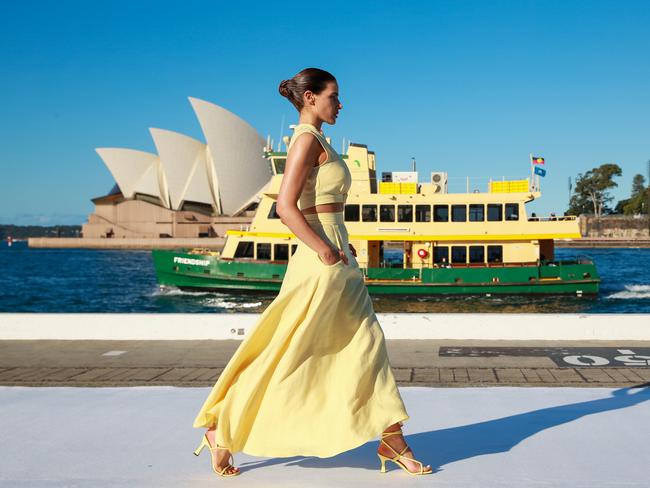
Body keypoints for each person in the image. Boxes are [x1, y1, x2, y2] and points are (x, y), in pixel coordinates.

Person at [191, 68, 432, 477]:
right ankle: (222, 429)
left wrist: (339, 242)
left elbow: (321, 205)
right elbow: (286, 206)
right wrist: (324, 248)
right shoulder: (306, 140)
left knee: (363, 344)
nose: (340, 104)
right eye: (334, 96)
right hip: (321, 261)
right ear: (310, 99)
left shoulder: (317, 140)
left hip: (336, 255)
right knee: (293, 349)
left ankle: (392, 437)